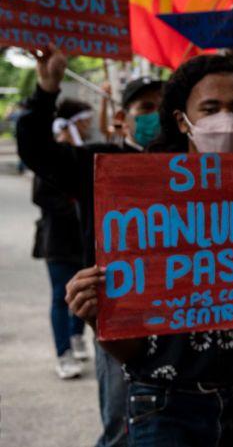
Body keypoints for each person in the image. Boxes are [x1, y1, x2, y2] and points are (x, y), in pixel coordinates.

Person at [66, 53, 233, 447]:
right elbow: (130, 349)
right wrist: (97, 316)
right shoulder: (141, 202)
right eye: (211, 109)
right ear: (183, 120)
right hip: (166, 408)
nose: (226, 121)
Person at [17, 46, 164, 447]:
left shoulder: (197, 169)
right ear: (122, 118)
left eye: (165, 107)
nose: (157, 115)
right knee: (122, 425)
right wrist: (47, 89)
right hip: (119, 317)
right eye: (146, 107)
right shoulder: (99, 164)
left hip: (180, 318)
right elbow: (36, 151)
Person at [32, 102, 88, 378]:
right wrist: (77, 209)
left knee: (85, 290)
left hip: (81, 240)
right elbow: (40, 195)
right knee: (60, 297)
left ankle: (77, 336)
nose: (88, 125)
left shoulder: (81, 152)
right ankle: (63, 353)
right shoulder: (51, 155)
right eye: (84, 120)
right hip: (57, 241)